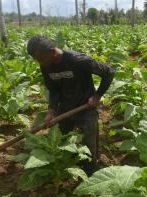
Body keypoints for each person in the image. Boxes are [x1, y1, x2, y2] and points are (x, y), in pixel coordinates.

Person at [27, 35, 115, 175]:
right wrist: (51, 110)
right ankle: (69, 165)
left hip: (86, 106)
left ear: (52, 51)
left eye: (40, 58)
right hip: (65, 107)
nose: (39, 62)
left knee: (89, 141)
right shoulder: (46, 66)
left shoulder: (78, 60)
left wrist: (97, 96)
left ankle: (91, 169)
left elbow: (109, 72)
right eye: (36, 60)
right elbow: (53, 89)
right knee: (63, 141)